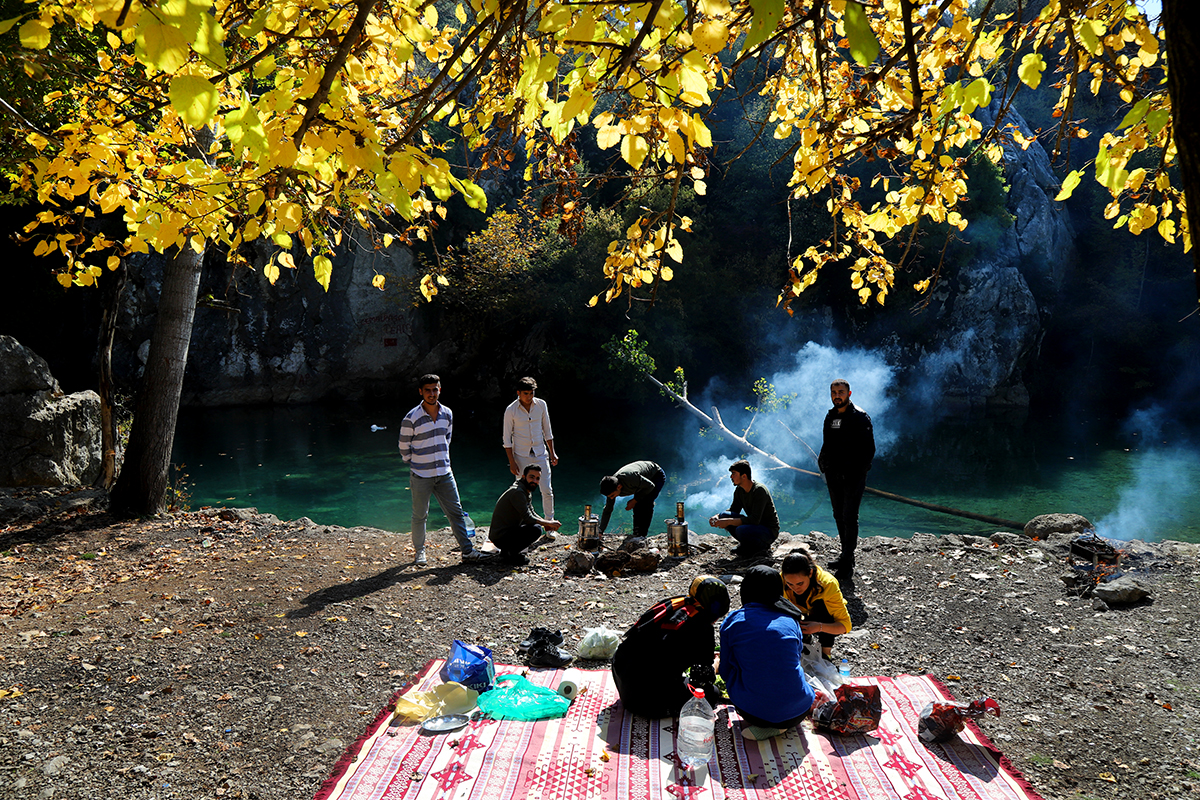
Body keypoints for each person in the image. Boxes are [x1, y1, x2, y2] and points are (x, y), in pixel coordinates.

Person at [397, 374, 492, 565]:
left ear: (440, 390)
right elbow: (403, 447)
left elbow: (447, 438)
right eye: (428, 390)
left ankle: (467, 551)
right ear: (421, 392)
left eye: (435, 389)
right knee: (420, 516)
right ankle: (420, 552)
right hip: (421, 475)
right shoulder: (411, 418)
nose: (432, 394)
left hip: (444, 473)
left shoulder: (447, 413)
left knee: (456, 512)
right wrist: (417, 463)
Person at [612, 575, 730, 718]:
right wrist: (715, 664)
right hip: (643, 699)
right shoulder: (703, 626)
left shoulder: (674, 603)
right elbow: (702, 680)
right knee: (711, 694)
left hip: (622, 676)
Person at [719, 565, 815, 740]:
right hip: (800, 710)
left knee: (736, 669)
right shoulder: (791, 621)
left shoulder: (733, 621)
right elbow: (794, 658)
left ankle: (773, 726)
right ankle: (782, 725)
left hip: (754, 714)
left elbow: (725, 672)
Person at [818, 378, 875, 580]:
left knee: (850, 517)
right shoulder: (831, 416)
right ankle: (845, 556)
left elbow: (869, 450)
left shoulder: (860, 417)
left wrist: (856, 473)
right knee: (838, 515)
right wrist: (823, 464)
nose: (837, 396)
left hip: (853, 477)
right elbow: (827, 443)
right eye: (834, 393)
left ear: (849, 394)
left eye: (841, 392)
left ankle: (848, 561)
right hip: (833, 475)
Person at [502, 377, 558, 519]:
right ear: (519, 393)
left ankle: (549, 522)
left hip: (540, 453)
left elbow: (547, 430)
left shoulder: (541, 405)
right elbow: (507, 439)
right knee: (521, 491)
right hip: (521, 455)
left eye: (531, 393)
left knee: (547, 489)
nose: (529, 397)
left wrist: (552, 453)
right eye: (525, 393)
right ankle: (521, 520)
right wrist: (512, 462)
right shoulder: (511, 410)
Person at [781, 547, 850, 661]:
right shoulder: (781, 580)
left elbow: (845, 625)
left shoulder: (828, 583)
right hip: (799, 611)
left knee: (822, 608)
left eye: (800, 583)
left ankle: (826, 653)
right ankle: (803, 639)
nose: (795, 588)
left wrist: (819, 627)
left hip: (822, 615)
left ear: (810, 573)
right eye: (790, 584)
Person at [489, 464, 562, 565]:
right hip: (500, 537)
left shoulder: (525, 490)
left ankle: (507, 552)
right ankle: (512, 555)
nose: (534, 481)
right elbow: (528, 518)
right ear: (523, 477)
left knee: (536, 526)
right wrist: (547, 523)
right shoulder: (518, 492)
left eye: (537, 478)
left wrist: (547, 523)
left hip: (504, 533)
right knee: (536, 529)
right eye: (531, 477)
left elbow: (531, 512)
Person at [708, 459, 780, 555]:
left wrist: (728, 522)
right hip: (754, 526)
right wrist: (717, 517)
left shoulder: (759, 490)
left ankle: (761, 547)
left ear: (744, 476)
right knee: (723, 515)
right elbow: (733, 510)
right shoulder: (739, 490)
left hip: (768, 531)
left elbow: (755, 520)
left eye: (734, 474)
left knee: (740, 529)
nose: (731, 477)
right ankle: (746, 545)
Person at [598, 460, 666, 538]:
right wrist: (601, 530)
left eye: (612, 495)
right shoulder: (611, 486)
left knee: (646, 503)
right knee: (637, 504)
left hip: (655, 475)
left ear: (619, 487)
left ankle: (642, 535)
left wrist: (634, 500)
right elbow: (608, 510)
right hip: (641, 481)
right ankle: (636, 532)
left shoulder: (631, 479)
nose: (611, 498)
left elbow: (650, 486)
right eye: (609, 496)